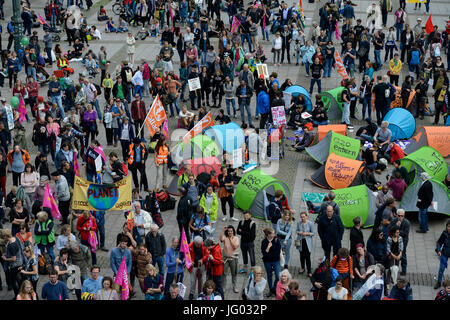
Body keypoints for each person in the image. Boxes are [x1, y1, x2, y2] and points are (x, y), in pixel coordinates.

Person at [261, 227, 281, 298]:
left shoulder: (276, 240)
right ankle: (270, 290)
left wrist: (269, 254)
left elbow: (278, 252)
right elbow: (264, 253)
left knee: (278, 276)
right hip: (267, 262)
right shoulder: (264, 242)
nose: (274, 234)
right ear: (268, 235)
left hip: (276, 261)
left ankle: (274, 288)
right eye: (273, 233)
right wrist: (268, 248)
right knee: (269, 276)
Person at [389, 209, 410, 276]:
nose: (400, 217)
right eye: (399, 215)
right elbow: (389, 229)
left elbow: (405, 233)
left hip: (403, 241)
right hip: (394, 240)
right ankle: (393, 269)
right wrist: (396, 226)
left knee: (403, 254)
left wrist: (397, 231)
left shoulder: (406, 223)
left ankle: (404, 271)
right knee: (393, 254)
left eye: (402, 216)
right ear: (397, 215)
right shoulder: (394, 221)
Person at [188, 236, 209, 300]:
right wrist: (190, 261)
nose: (199, 245)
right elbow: (186, 255)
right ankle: (192, 293)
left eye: (200, 244)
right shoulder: (190, 246)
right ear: (194, 243)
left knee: (203, 279)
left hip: (202, 265)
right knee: (192, 280)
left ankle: (202, 292)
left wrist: (203, 259)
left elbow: (207, 254)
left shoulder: (203, 245)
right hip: (193, 266)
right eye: (198, 244)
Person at [220, 225, 239, 294]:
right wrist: (222, 231)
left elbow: (235, 246)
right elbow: (221, 239)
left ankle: (235, 286)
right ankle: (223, 286)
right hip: (225, 258)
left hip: (233, 258)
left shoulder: (236, 238)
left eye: (231, 231)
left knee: (234, 273)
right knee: (224, 273)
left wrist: (231, 239)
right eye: (228, 231)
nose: (230, 232)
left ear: (233, 231)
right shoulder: (225, 238)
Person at [237, 210, 256, 275]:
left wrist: (242, 231)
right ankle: (245, 269)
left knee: (252, 256)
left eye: (247, 215)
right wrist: (246, 233)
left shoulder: (252, 223)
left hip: (250, 243)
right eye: (245, 215)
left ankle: (253, 271)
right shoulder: (241, 222)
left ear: (250, 215)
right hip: (243, 242)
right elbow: (237, 231)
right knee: (244, 256)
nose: (246, 217)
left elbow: (252, 235)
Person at [434, 220, 450, 289]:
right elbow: (439, 242)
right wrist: (438, 250)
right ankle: (439, 282)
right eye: (448, 226)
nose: (449, 228)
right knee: (441, 268)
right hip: (445, 253)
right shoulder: (444, 233)